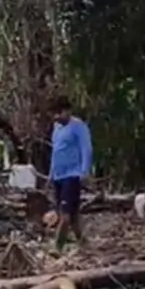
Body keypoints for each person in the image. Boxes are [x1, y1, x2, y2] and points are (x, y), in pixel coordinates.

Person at [47, 96, 92, 251]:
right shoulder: (56, 128)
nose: (56, 117)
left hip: (72, 175)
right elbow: (56, 151)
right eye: (54, 114)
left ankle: (57, 247)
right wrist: (50, 173)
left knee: (64, 216)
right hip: (58, 176)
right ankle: (84, 243)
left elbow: (86, 149)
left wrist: (85, 171)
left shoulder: (78, 126)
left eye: (59, 113)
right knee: (72, 215)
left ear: (67, 111)